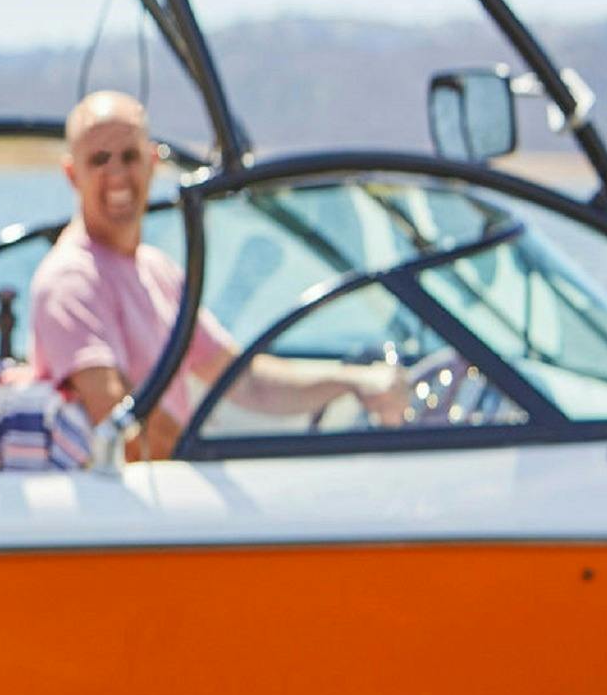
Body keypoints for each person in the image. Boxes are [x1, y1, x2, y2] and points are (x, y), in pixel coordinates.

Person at [29, 90, 410, 462]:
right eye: (99, 159)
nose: (117, 175)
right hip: (126, 511)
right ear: (71, 173)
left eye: (129, 156)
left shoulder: (156, 270)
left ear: (150, 162)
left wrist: (351, 382)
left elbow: (245, 382)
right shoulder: (69, 281)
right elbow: (119, 429)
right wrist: (206, 469)